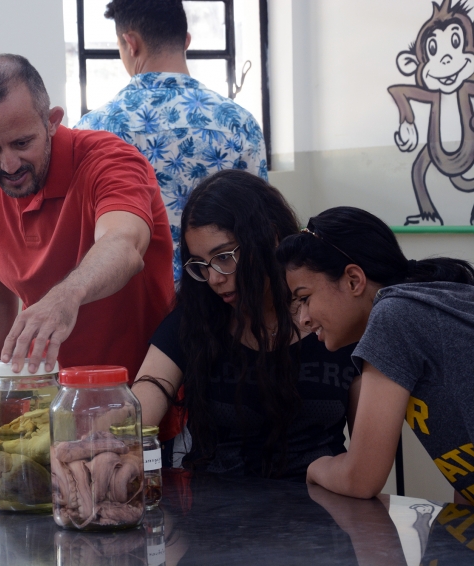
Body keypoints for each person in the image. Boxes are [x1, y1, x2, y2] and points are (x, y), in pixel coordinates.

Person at [0, 54, 175, 481]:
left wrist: (66, 295)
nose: (9, 165)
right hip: (54, 419)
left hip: (141, 414)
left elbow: (123, 244)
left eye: (22, 143)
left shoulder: (109, 161)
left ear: (52, 120)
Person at [132, 170, 359, 478]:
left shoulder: (335, 319)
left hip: (323, 505)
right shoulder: (196, 317)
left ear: (270, 237)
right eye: (200, 264)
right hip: (215, 513)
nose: (214, 278)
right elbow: (148, 392)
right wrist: (106, 441)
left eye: (224, 257)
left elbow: (365, 457)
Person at [277, 206, 474, 502]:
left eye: (305, 298)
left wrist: (315, 468)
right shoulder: (430, 302)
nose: (303, 318)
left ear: (354, 280)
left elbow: (360, 479)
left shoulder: (394, 315)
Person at [76, 0, 267, 281]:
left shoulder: (92, 130)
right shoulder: (240, 123)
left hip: (137, 302)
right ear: (186, 41)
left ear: (130, 43)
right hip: (221, 297)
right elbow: (260, 226)